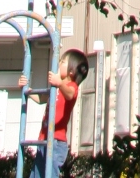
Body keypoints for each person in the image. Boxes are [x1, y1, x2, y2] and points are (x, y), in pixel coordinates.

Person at [21, 48, 89, 177]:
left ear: (71, 71)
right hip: (44, 138)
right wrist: (27, 89)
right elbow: (41, 99)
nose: (59, 63)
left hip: (56, 141)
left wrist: (60, 84)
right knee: (36, 174)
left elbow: (70, 95)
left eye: (62, 61)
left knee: (50, 174)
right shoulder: (55, 88)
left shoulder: (71, 86)